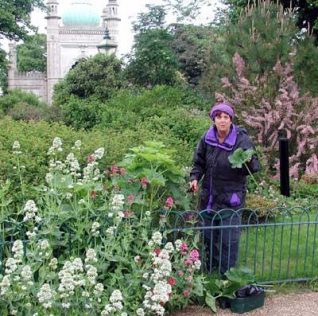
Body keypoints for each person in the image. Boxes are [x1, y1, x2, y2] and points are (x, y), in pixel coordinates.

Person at [189, 102, 260, 274]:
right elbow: (199, 162)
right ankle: (208, 271)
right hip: (209, 196)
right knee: (208, 236)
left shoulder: (241, 139)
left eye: (225, 117)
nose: (222, 121)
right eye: (218, 117)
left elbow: (254, 166)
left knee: (229, 239)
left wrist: (248, 162)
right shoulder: (207, 138)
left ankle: (226, 275)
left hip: (231, 196)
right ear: (214, 119)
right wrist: (194, 178)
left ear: (230, 120)